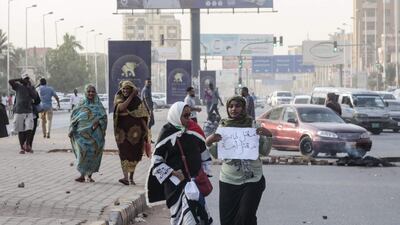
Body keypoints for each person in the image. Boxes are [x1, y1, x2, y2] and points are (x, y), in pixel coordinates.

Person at [205, 96, 272, 225]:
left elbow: (264, 151)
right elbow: (217, 153)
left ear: (243, 107)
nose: (233, 109)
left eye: (237, 106)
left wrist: (268, 136)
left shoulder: (253, 125)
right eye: (231, 106)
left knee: (246, 215)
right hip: (228, 179)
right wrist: (209, 143)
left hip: (252, 179)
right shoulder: (223, 126)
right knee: (227, 219)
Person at [147, 101, 213, 225]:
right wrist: (174, 173)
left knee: (196, 218)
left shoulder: (194, 131)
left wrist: (202, 174)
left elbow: (205, 156)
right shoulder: (166, 134)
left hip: (194, 185)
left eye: (190, 115)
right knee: (183, 220)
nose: (189, 119)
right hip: (175, 187)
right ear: (176, 116)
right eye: (185, 116)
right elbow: (156, 162)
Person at [113, 80, 151, 185]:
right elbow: (121, 108)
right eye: (123, 89)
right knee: (124, 153)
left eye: (127, 89)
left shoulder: (137, 101)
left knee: (134, 154)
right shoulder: (119, 97)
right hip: (122, 133)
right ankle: (125, 178)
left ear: (132, 89)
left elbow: (143, 116)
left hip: (136, 134)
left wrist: (147, 132)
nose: (125, 91)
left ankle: (131, 178)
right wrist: (131, 96)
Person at [69, 84, 107, 183]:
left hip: (95, 135)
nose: (91, 93)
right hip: (81, 135)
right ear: (85, 92)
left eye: (93, 91)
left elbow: (104, 118)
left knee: (92, 154)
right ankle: (82, 175)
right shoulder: (80, 104)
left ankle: (89, 175)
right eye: (89, 91)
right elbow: (74, 118)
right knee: (82, 153)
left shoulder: (99, 105)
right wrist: (71, 129)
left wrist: (98, 122)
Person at [9, 73, 38, 154]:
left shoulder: (31, 88)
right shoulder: (17, 86)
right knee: (20, 130)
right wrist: (19, 79)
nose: (26, 80)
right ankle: (22, 148)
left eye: (27, 79)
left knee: (29, 128)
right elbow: (10, 81)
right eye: (25, 79)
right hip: (19, 111)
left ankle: (27, 144)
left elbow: (35, 97)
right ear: (22, 80)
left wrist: (29, 87)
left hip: (28, 111)